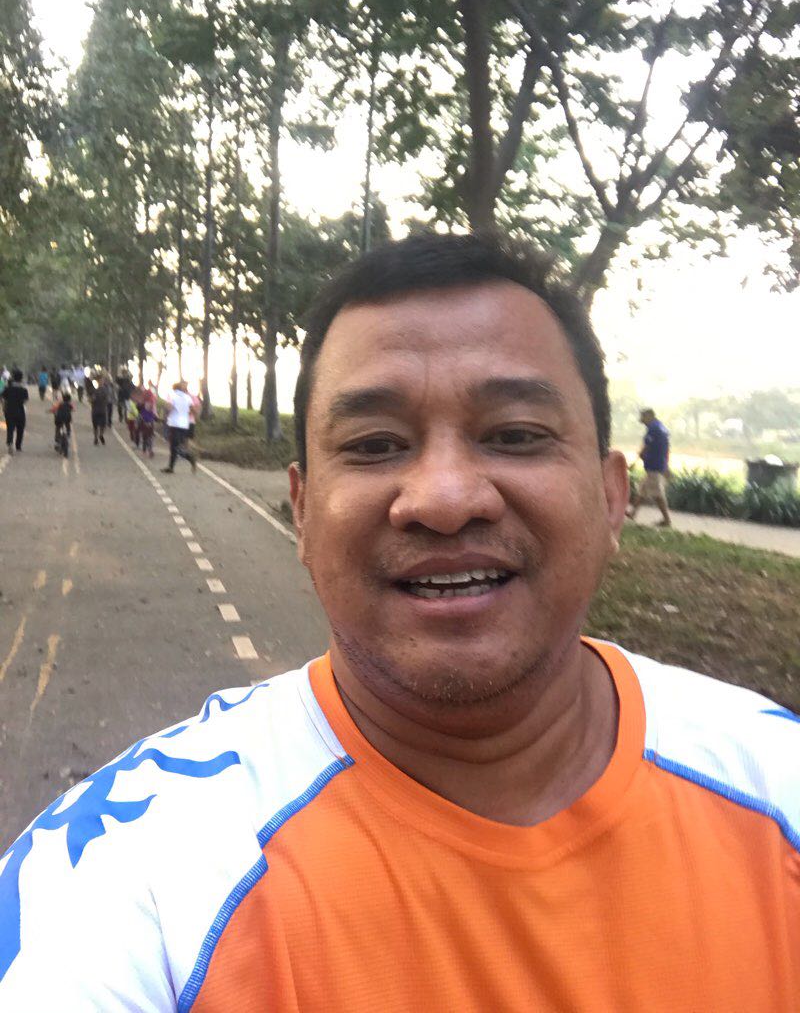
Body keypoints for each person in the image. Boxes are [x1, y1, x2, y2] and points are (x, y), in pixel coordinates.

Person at [0, 235, 797, 1012]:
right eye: (376, 444)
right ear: (303, 511)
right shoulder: (133, 880)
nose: (444, 499)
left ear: (612, 496)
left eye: (515, 436)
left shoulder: (775, 790)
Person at [626, 407, 672, 527]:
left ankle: (667, 520)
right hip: (659, 463)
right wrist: (666, 465)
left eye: (643, 416)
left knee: (658, 494)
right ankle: (632, 513)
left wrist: (634, 462)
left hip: (654, 465)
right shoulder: (662, 427)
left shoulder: (653, 429)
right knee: (643, 489)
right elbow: (666, 448)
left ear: (649, 416)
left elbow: (646, 447)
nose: (641, 419)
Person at [161, 380, 196, 474]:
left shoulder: (171, 395)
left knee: (174, 447)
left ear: (174, 388)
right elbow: (193, 410)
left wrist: (165, 416)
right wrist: (185, 414)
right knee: (177, 446)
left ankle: (189, 457)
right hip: (184, 425)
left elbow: (169, 408)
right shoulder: (187, 397)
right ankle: (171, 467)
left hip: (174, 424)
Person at [1, 368, 28, 454]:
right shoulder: (24, 390)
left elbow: (3, 398)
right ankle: (18, 446)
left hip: (9, 411)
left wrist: (4, 407)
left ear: (13, 377)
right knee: (20, 428)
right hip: (20, 411)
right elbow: (25, 401)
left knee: (10, 428)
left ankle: (10, 444)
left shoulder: (8, 388)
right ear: (21, 378)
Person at [88, 374, 110, 445]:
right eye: (100, 380)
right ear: (97, 381)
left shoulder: (105, 389)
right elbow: (90, 399)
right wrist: (92, 399)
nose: (101, 381)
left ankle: (101, 435)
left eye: (102, 380)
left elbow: (107, 399)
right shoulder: (94, 389)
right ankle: (95, 438)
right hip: (95, 410)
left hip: (102, 410)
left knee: (103, 425)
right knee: (95, 426)